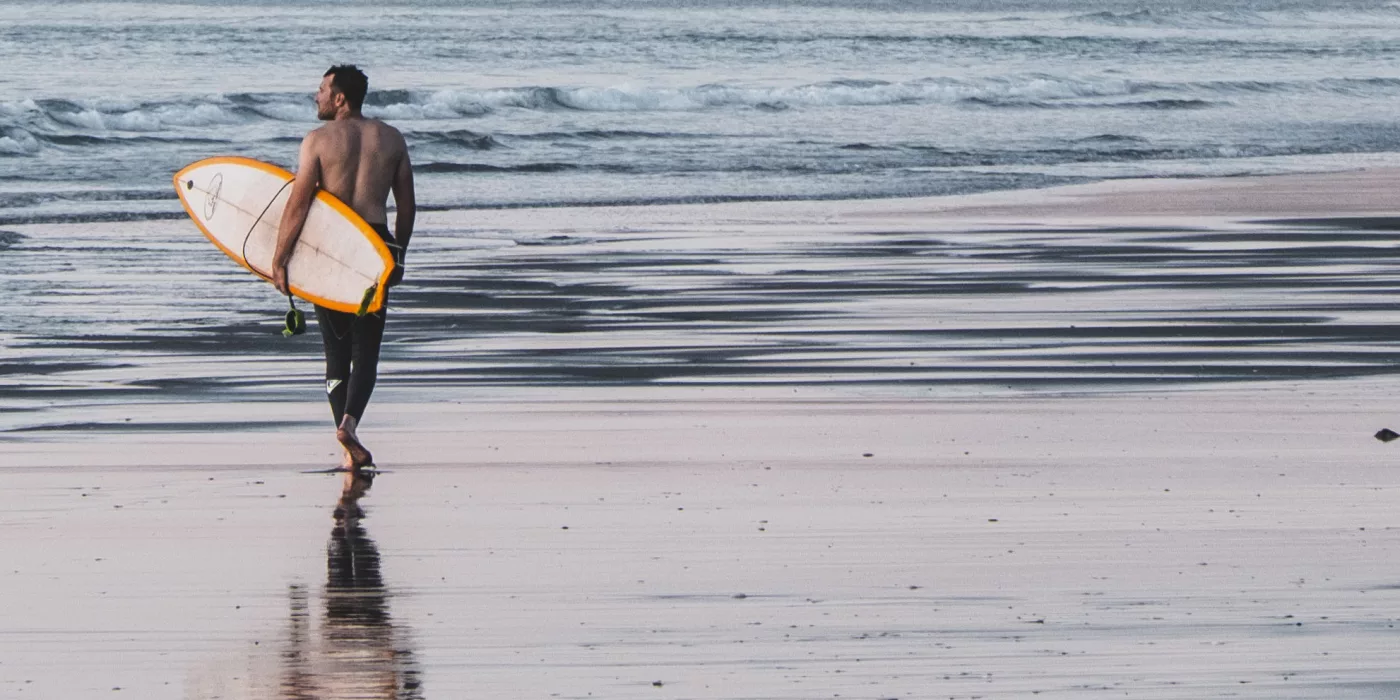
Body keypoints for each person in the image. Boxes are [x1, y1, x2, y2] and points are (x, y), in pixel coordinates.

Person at [272, 65, 415, 470]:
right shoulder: (391, 139)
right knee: (366, 349)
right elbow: (406, 206)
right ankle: (350, 425)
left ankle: (344, 438)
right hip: (374, 245)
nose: (315, 96)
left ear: (339, 98)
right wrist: (398, 253)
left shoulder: (317, 141)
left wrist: (280, 258)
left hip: (332, 248)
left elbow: (299, 203)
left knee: (335, 351)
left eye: (321, 90)